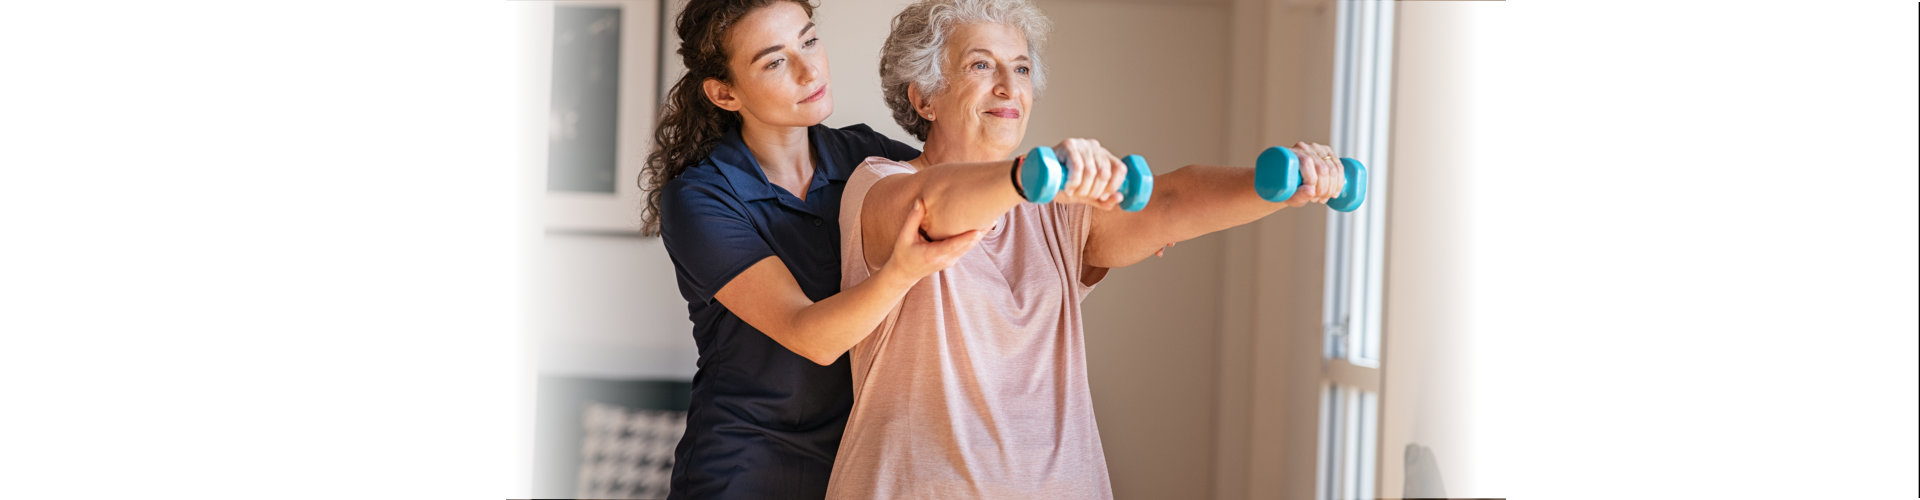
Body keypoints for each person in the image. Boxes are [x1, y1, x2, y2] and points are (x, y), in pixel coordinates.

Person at [825, 0, 1348, 496]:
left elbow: (1167, 202)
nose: (1010, 87)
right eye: (982, 66)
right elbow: (934, 208)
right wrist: (1033, 176)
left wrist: (1278, 184)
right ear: (924, 97)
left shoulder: (1056, 207)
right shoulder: (878, 185)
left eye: (1022, 69)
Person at [641, 0, 986, 497]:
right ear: (723, 92)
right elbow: (812, 337)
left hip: (857, 461)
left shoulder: (865, 155)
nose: (809, 69)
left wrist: (1090, 220)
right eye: (775, 61)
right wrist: (901, 272)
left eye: (809, 40)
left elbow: (959, 196)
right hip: (747, 466)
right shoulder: (701, 197)